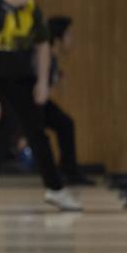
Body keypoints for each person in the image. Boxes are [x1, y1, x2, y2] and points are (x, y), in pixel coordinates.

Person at [0, 0, 81, 214]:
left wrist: (42, 82)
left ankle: (55, 190)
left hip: (24, 81)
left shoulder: (32, 11)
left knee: (38, 135)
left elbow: (42, 47)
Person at [42, 16, 94, 186]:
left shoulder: (53, 56)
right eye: (69, 35)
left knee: (65, 124)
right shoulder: (45, 55)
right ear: (58, 38)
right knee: (0, 146)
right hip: (30, 106)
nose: (72, 40)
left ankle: (68, 169)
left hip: (41, 104)